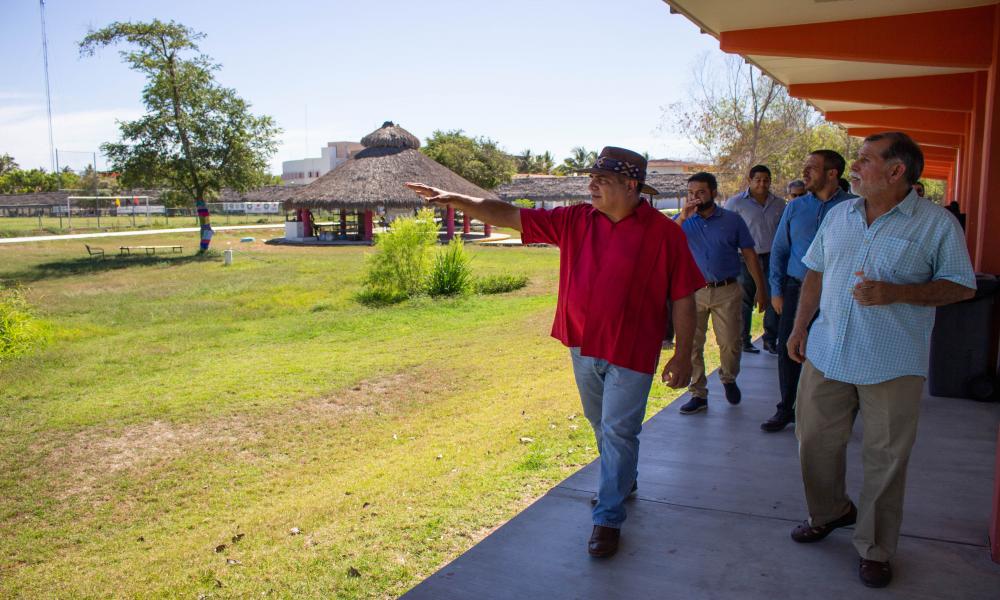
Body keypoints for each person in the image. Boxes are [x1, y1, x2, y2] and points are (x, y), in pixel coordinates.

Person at [404, 146, 705, 559]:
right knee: (600, 422)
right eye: (592, 177)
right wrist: (458, 199)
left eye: (603, 179)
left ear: (631, 185)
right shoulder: (575, 220)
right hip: (583, 344)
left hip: (634, 350)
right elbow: (508, 214)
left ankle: (608, 517)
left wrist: (684, 354)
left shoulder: (665, 234)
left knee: (619, 429)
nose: (591, 185)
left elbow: (685, 296)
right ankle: (622, 478)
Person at [786, 132, 975, 588]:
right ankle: (831, 512)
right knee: (813, 441)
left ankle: (874, 546)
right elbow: (816, 270)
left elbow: (962, 285)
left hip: (891, 361)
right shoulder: (840, 215)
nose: (855, 166)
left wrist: (898, 293)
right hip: (828, 351)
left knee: (885, 458)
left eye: (866, 160)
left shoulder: (936, 225)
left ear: (896, 171)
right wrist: (799, 326)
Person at [763, 150, 854, 433]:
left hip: (838, 290)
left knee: (835, 347)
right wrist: (775, 291)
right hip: (796, 287)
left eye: (812, 168)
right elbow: (779, 250)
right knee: (789, 348)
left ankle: (830, 414)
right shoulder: (795, 207)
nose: (805, 173)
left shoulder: (855, 207)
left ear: (832, 173)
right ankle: (786, 408)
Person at [675, 172, 767, 415]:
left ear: (713, 193)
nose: (695, 197)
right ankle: (698, 393)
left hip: (727, 290)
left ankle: (728, 378)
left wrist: (761, 288)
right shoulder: (684, 221)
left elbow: (749, 254)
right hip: (693, 293)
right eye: (691, 193)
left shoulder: (732, 220)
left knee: (730, 343)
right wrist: (683, 219)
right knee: (693, 345)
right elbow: (665, 241)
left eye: (701, 192)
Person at [724, 164, 784, 355]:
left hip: (772, 257)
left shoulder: (779, 204)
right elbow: (728, 231)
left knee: (774, 296)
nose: (762, 183)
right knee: (745, 299)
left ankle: (770, 339)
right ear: (749, 181)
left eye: (766, 180)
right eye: (757, 180)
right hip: (744, 258)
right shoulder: (735, 204)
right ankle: (744, 340)